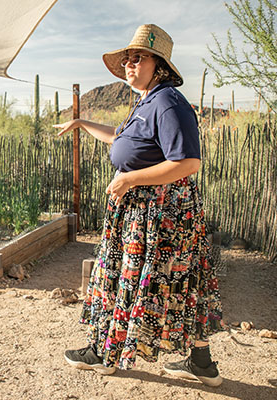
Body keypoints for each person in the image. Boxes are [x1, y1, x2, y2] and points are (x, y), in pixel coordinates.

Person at [54, 24, 225, 387]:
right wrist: (83, 122)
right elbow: (124, 140)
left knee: (128, 279)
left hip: (157, 214)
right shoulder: (147, 101)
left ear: (159, 64)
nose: (129, 65)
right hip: (149, 211)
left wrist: (129, 179)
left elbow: (188, 162)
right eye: (127, 59)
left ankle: (104, 354)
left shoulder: (167, 103)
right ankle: (202, 362)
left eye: (137, 58)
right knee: (185, 282)